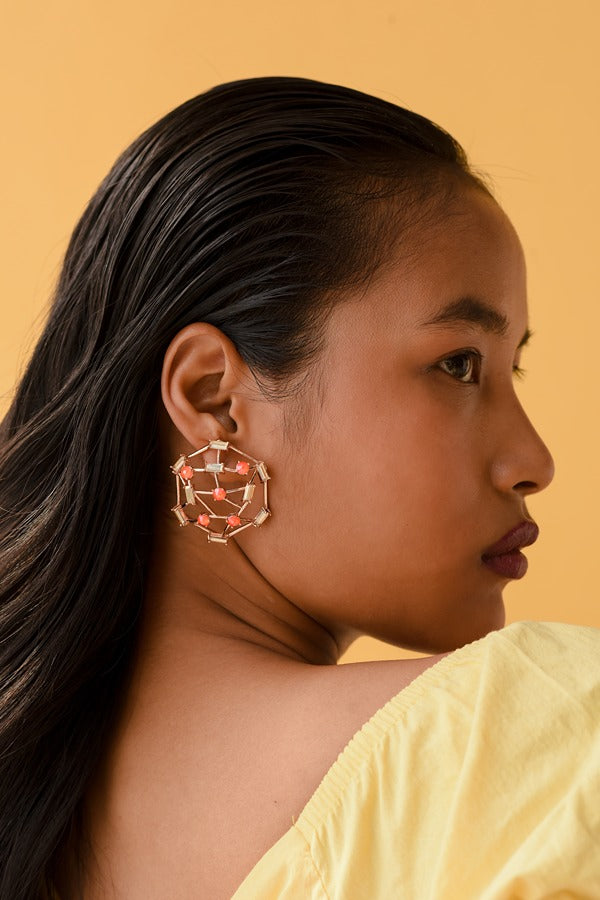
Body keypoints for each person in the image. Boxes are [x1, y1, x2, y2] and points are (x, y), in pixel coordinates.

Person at [0, 75, 598, 900]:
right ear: (216, 399)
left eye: (510, 369)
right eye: (459, 364)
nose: (534, 459)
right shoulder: (539, 741)